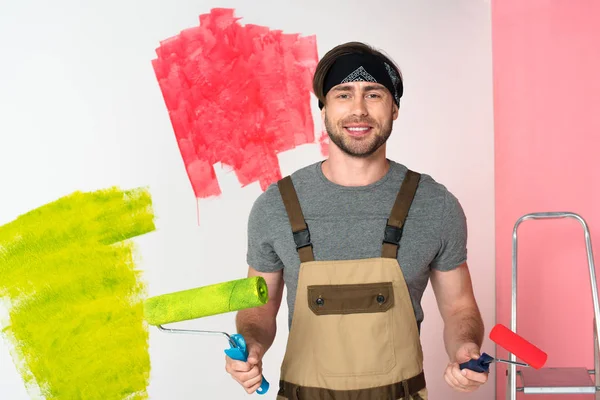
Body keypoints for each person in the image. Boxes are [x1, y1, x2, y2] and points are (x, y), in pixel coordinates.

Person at [225, 41, 488, 399]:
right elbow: (258, 308)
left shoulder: (435, 204)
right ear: (324, 109)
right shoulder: (275, 206)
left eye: (374, 94)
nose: (359, 110)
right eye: (344, 94)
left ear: (394, 108)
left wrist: (466, 348)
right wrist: (252, 346)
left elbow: (459, 307)